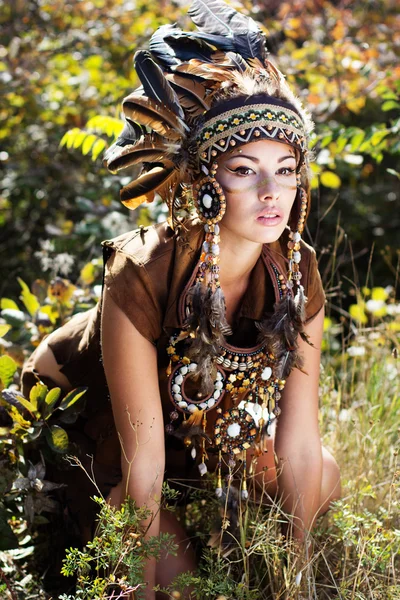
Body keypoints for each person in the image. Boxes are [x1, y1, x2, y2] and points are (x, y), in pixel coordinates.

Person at [21, 0, 342, 597]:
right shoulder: (143, 272)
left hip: (190, 434)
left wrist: (296, 577)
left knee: (320, 472)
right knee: (182, 587)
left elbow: (298, 439)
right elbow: (142, 469)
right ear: (205, 181)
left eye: (286, 168)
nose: (272, 192)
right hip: (82, 427)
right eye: (245, 170)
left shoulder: (299, 270)